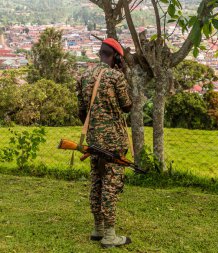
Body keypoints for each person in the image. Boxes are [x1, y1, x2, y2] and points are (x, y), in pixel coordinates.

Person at [76, 38, 132, 248]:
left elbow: (81, 111)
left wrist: (95, 129)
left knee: (97, 180)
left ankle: (97, 228)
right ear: (116, 57)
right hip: (114, 142)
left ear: (101, 54)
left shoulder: (84, 75)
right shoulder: (116, 77)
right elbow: (127, 106)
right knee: (111, 183)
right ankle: (109, 235)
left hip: (93, 141)